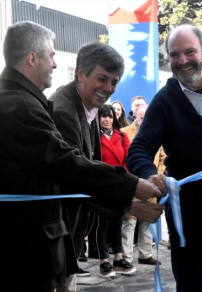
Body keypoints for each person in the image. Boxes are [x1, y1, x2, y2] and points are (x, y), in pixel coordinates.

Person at [0, 21, 163, 291]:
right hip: (28, 245)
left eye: (114, 81)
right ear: (31, 58)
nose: (54, 64)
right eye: (51, 56)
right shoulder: (25, 105)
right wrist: (132, 190)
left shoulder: (31, 101)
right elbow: (68, 167)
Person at [126, 24, 202, 292]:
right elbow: (138, 148)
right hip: (188, 215)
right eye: (175, 55)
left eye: (190, 52)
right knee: (190, 285)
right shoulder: (164, 100)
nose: (183, 60)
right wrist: (149, 173)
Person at [92, 104, 136, 277]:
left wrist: (124, 180)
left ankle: (118, 259)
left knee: (117, 222)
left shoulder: (122, 136)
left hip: (119, 184)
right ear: (98, 118)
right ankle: (104, 261)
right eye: (103, 116)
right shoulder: (93, 136)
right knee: (102, 225)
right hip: (101, 185)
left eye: (110, 116)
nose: (107, 119)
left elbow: (128, 159)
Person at [122, 104, 166, 266]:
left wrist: (156, 175)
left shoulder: (157, 133)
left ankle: (145, 254)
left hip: (152, 185)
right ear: (135, 116)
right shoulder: (124, 132)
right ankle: (126, 258)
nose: (144, 121)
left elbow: (162, 157)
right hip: (132, 183)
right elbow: (124, 158)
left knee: (148, 221)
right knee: (129, 221)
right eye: (141, 118)